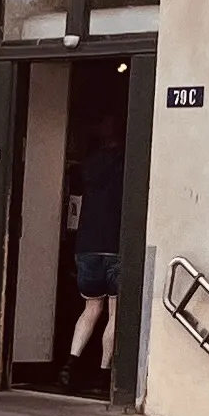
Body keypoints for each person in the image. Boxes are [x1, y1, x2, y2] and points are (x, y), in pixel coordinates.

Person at [63, 135, 126, 381]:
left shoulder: (86, 170)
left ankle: (71, 362)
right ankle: (104, 372)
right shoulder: (124, 169)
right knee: (115, 313)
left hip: (87, 247)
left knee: (90, 308)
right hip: (116, 247)